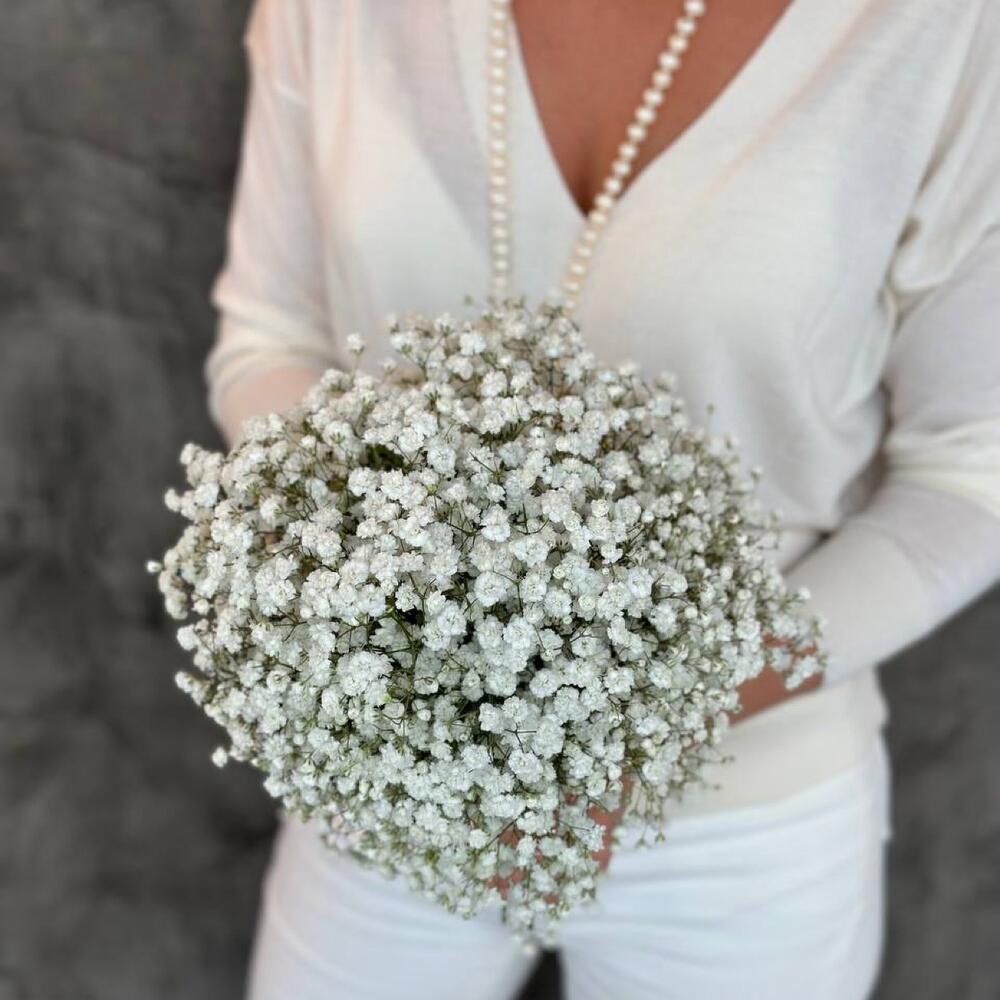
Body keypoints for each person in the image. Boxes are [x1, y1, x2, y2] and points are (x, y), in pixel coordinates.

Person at [202, 1, 1000, 997]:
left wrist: (659, 707)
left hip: (743, 821)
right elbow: (270, 337)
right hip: (394, 770)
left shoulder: (941, 30)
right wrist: (370, 603)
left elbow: (972, 474)